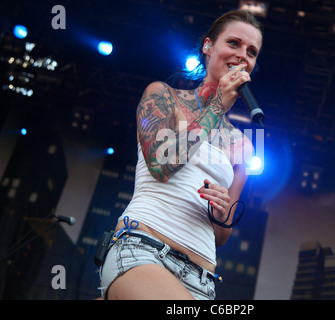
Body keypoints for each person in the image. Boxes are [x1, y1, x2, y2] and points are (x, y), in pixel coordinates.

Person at [99, 9, 264, 300]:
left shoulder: (245, 144)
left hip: (201, 276)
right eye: (234, 43)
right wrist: (217, 108)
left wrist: (221, 213)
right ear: (208, 46)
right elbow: (160, 164)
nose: (242, 56)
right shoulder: (164, 96)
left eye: (251, 51)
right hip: (144, 248)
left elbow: (222, 236)